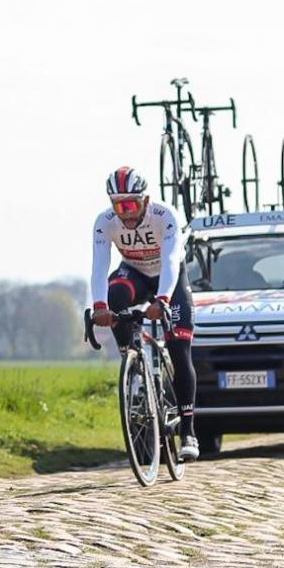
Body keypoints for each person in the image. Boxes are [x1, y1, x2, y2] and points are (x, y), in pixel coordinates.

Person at [90, 167, 199, 461]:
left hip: (168, 277)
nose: (124, 213)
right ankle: (132, 358)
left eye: (131, 205)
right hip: (134, 273)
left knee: (179, 348)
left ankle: (188, 430)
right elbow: (99, 267)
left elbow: (173, 262)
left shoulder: (166, 216)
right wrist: (100, 306)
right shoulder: (105, 222)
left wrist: (162, 299)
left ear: (145, 200)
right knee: (114, 296)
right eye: (118, 206)